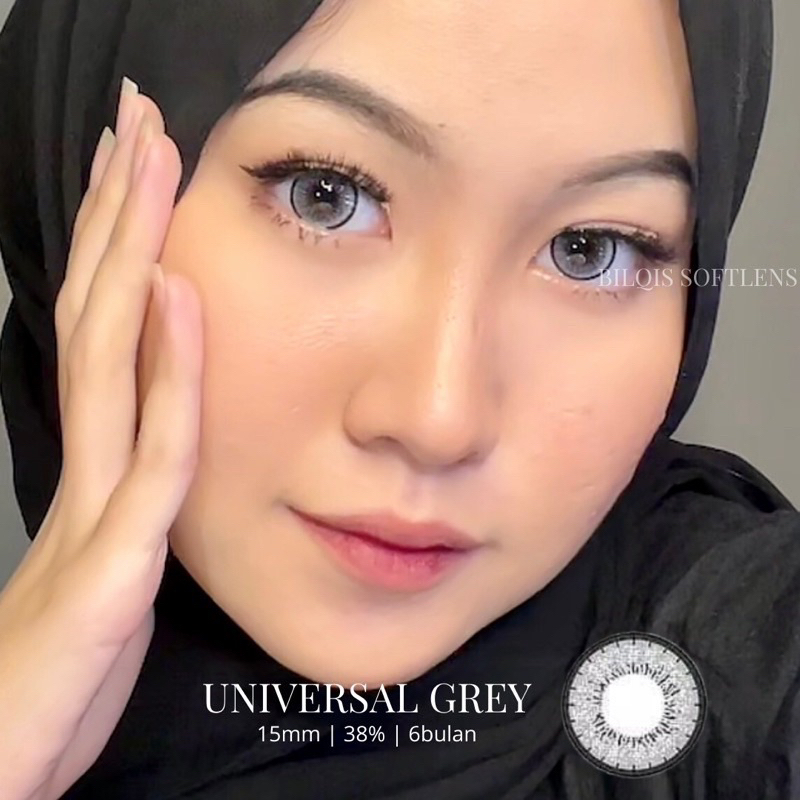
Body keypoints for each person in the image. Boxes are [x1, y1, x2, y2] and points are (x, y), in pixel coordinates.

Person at [0, 0, 797, 798]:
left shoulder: (737, 668)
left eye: (590, 250)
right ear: (77, 161)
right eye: (325, 196)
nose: (438, 421)